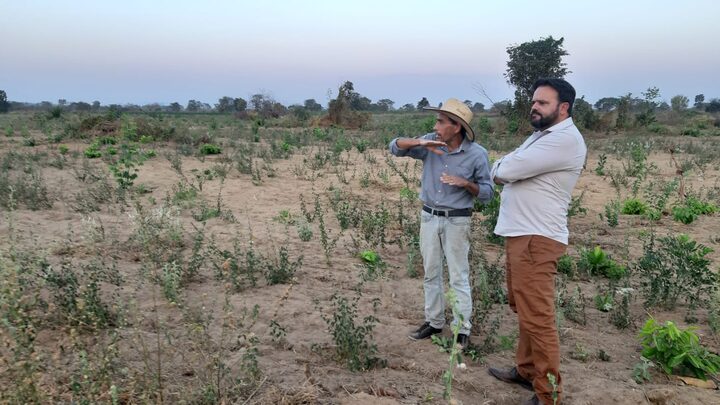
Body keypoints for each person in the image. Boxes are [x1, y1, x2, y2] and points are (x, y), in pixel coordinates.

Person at [487, 78, 587, 405]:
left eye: (543, 103)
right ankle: (527, 370)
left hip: (537, 238)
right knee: (525, 308)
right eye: (534, 101)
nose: (534, 106)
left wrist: (503, 168)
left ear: (563, 108)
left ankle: (547, 394)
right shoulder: (540, 136)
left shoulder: (564, 140)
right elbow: (506, 167)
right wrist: (503, 168)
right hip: (523, 235)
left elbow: (506, 169)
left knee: (538, 317)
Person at [388, 98, 494, 349]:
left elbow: (488, 193)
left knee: (458, 275)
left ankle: (461, 330)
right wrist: (419, 142)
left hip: (458, 220)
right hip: (429, 217)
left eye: (440, 121)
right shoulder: (429, 143)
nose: (435, 126)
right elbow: (394, 146)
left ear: (456, 127)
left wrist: (465, 183)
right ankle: (434, 322)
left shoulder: (477, 155)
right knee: (431, 272)